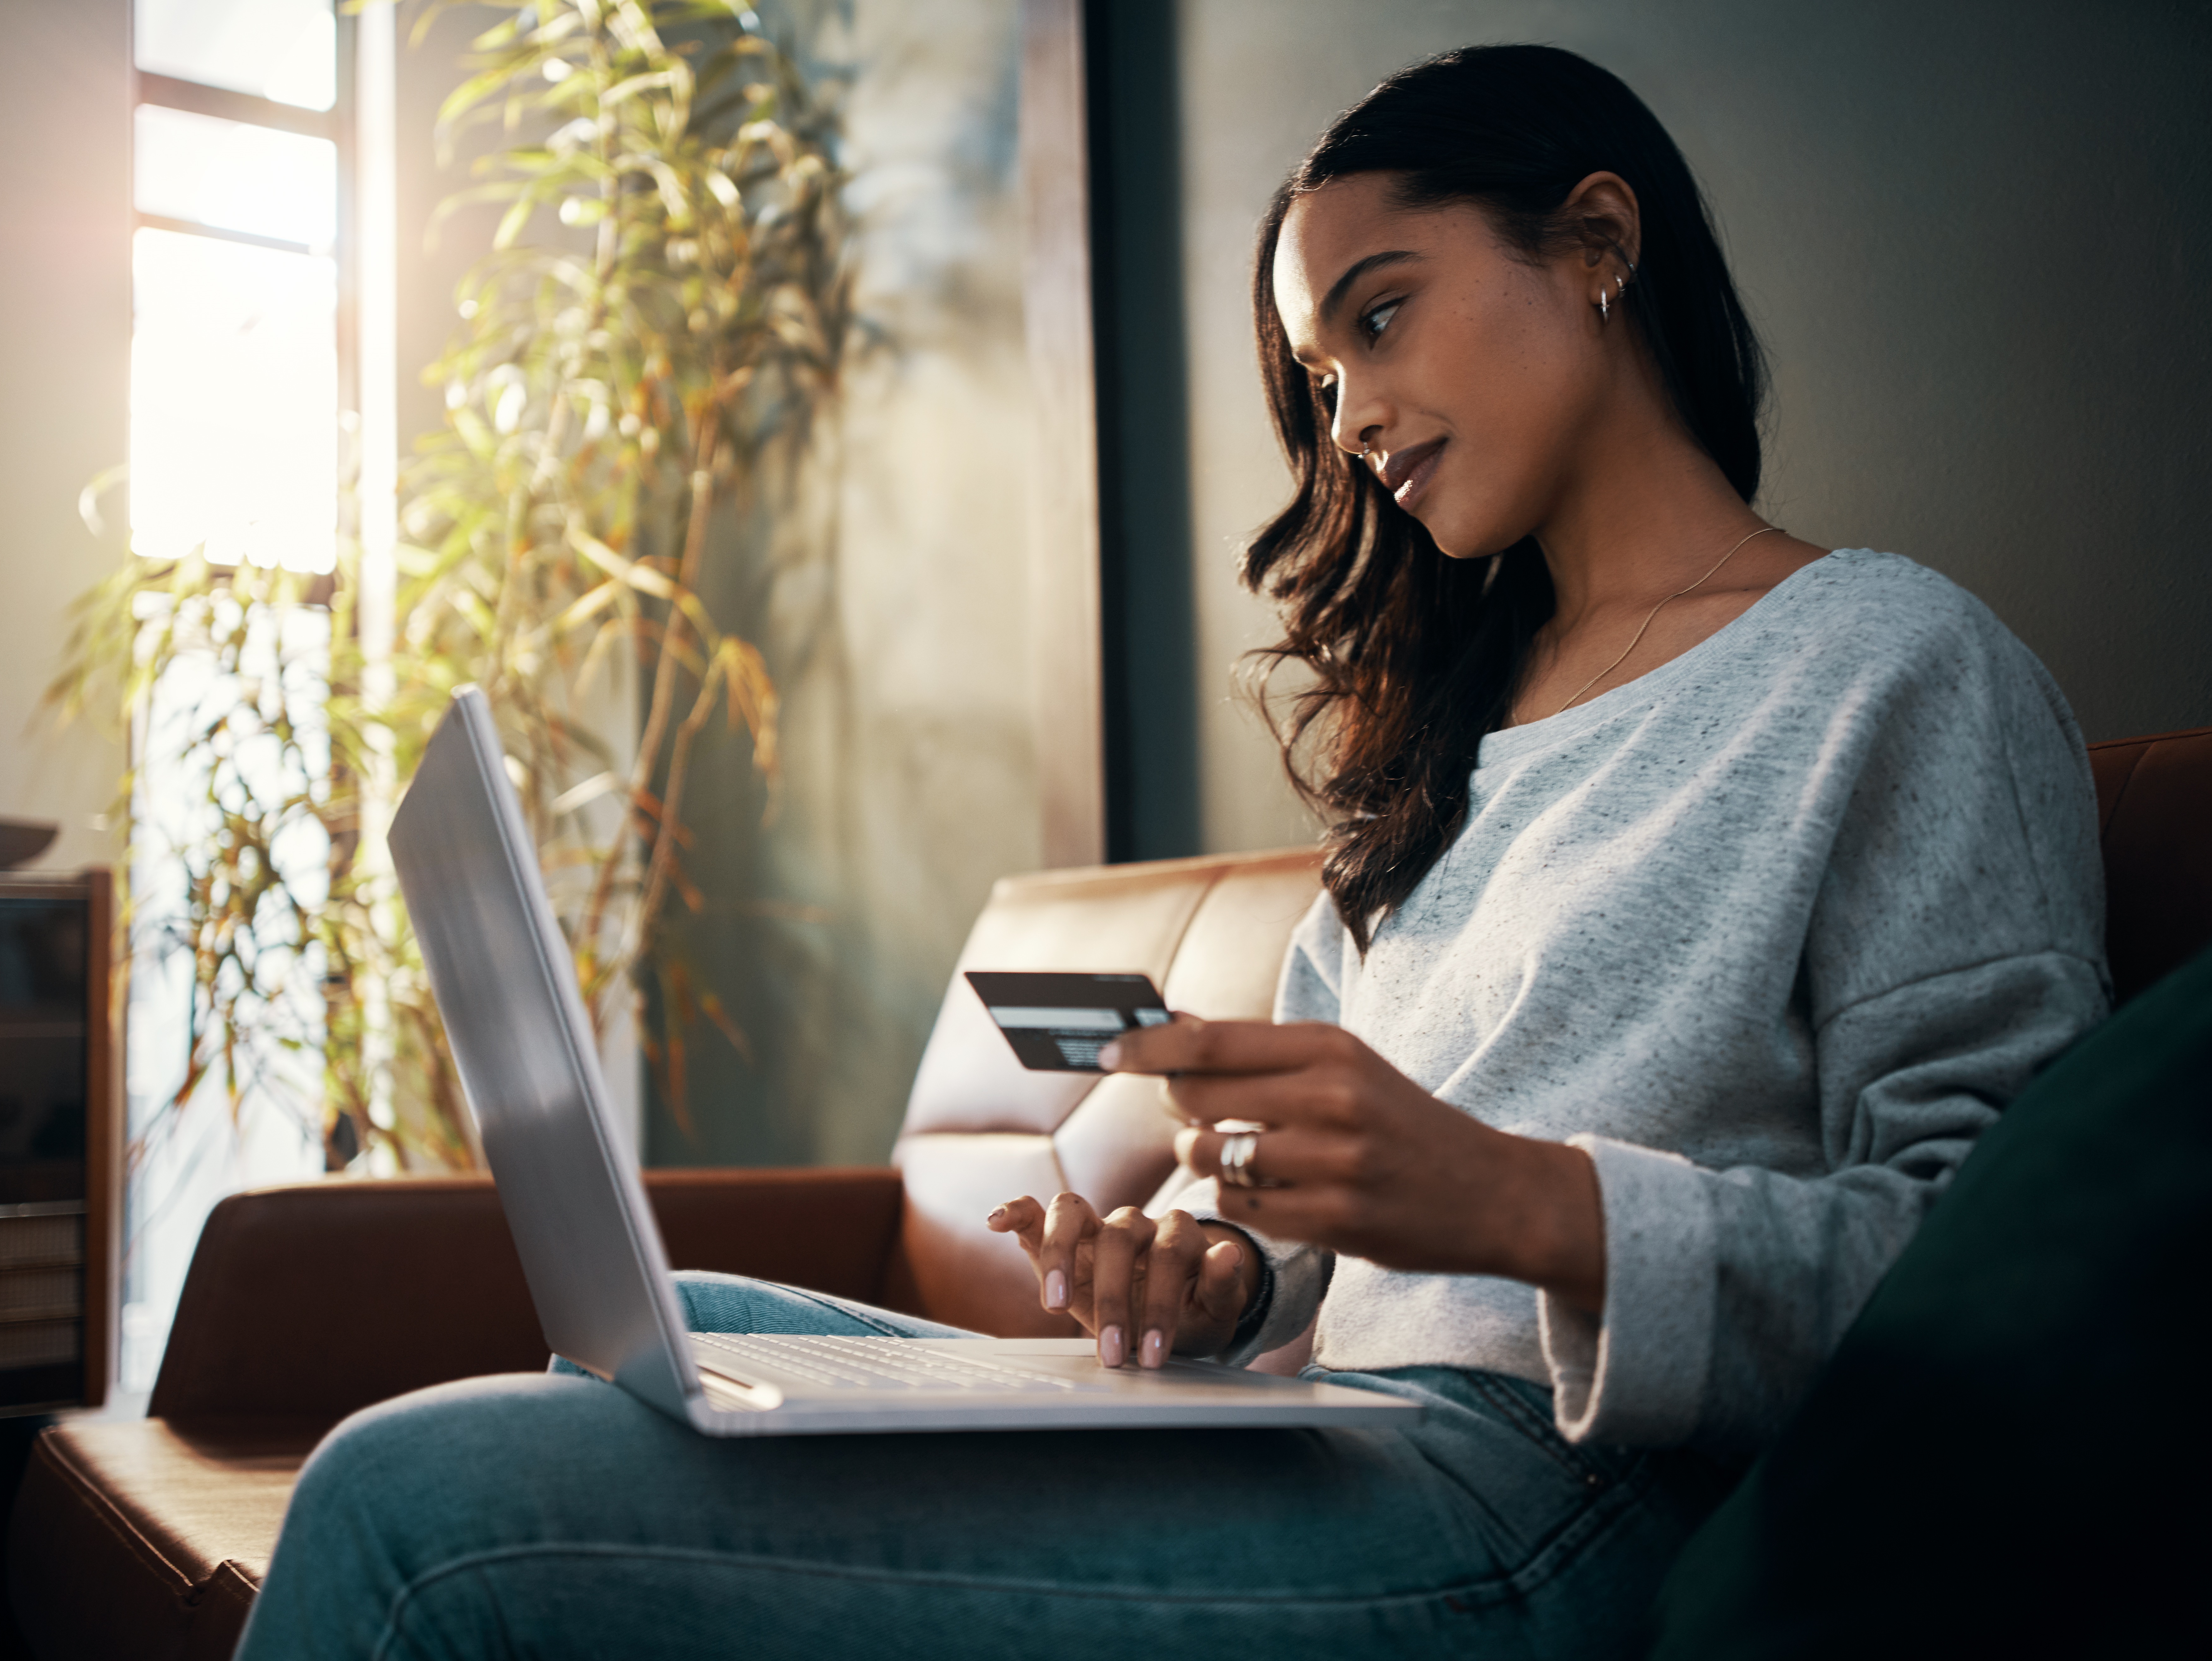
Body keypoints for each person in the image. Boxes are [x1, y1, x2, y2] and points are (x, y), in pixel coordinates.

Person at [234, 43, 2108, 1661]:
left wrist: (1527, 1203)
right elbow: (1305, 1228)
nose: (1351, 418)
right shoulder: (1452, 743)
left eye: (1379, 315)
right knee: (669, 1334)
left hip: (1570, 1503)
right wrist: (1215, 1270)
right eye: (1321, 372)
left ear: (1598, 245)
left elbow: (2005, 1272)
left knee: (413, 1498)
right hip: (1340, 1430)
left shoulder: (1892, 666)